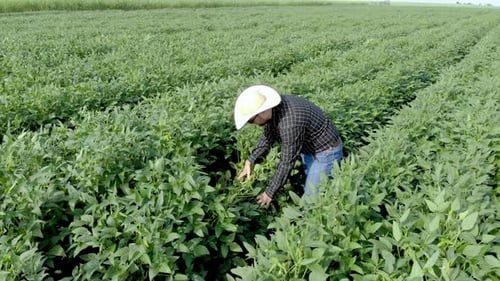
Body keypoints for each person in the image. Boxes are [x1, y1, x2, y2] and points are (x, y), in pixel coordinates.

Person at [234, 85, 343, 207]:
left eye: (250, 120)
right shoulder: (275, 109)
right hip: (310, 148)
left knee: (311, 200)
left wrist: (269, 193)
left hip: (326, 152)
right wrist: (250, 160)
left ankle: (312, 220)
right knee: (312, 184)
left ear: (260, 114)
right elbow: (268, 137)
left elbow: (287, 162)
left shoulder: (289, 123)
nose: (252, 124)